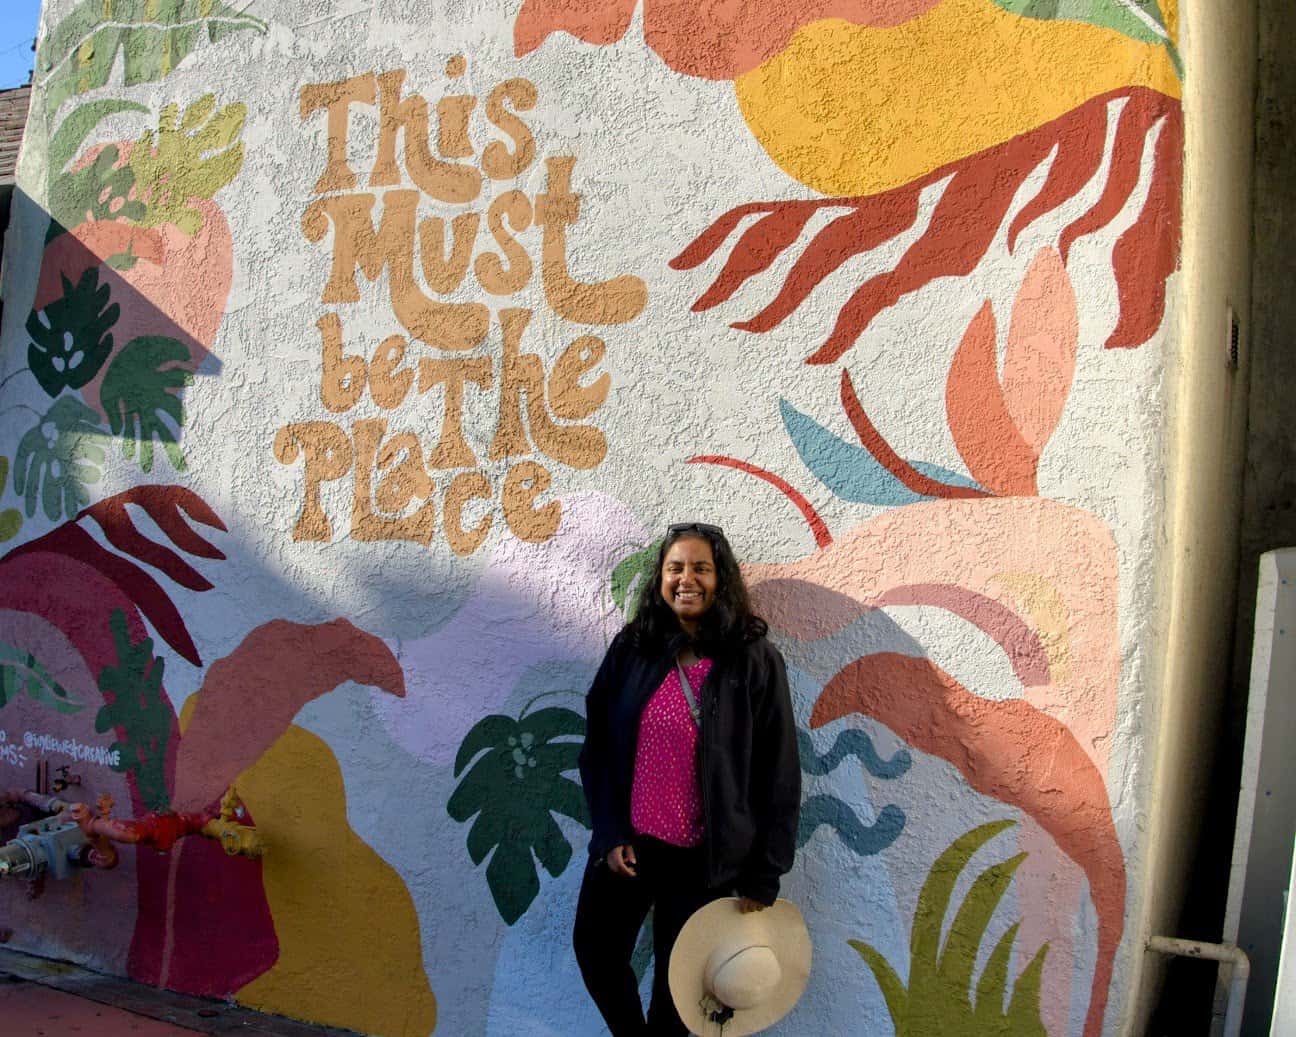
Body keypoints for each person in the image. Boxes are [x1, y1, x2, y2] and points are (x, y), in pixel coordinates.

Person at [573, 522, 801, 1036]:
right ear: (660, 577)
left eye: (701, 568)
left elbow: (779, 773)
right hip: (630, 851)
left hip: (706, 863)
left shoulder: (753, 660)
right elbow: (599, 749)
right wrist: (609, 832)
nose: (686, 579)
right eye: (675, 568)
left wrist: (765, 872)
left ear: (722, 578)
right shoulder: (633, 649)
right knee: (596, 952)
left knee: (679, 1000)